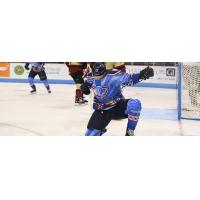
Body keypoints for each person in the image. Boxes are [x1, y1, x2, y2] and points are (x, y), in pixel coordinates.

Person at [81, 62, 154, 136]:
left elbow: (130, 79)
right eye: (95, 75)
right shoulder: (90, 76)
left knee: (135, 104)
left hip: (117, 106)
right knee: (89, 135)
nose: (96, 77)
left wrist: (141, 75)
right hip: (102, 109)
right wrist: (84, 87)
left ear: (104, 72)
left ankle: (129, 132)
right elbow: (87, 83)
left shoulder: (114, 76)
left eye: (99, 75)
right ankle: (100, 130)